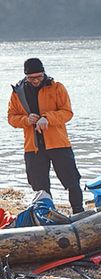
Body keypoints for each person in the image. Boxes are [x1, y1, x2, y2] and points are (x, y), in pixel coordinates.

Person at [7, 57, 84, 213]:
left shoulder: (57, 87)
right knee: (39, 185)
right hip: (33, 147)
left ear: (44, 73)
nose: (36, 80)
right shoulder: (17, 92)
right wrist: (26, 120)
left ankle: (78, 211)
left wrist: (48, 118)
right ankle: (47, 214)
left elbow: (67, 113)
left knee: (72, 180)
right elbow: (11, 118)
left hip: (58, 143)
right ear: (26, 76)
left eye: (39, 77)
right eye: (31, 78)